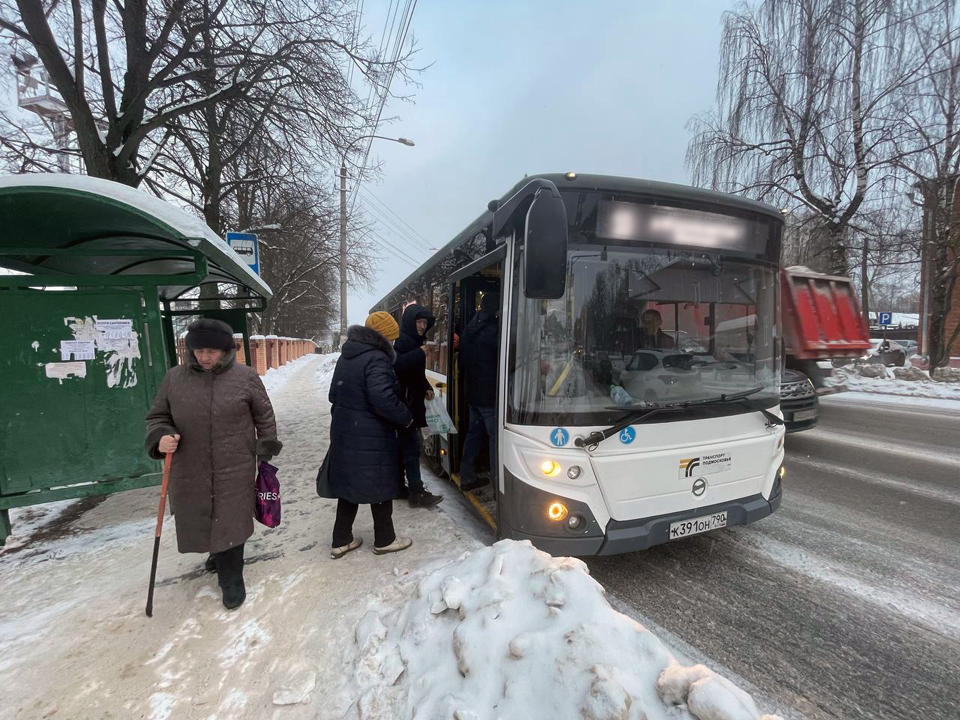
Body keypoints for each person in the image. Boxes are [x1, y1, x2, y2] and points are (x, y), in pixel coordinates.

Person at [145, 319, 281, 610]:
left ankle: (232, 578)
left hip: (235, 464)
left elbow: (264, 415)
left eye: (212, 351)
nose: (205, 357)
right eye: (199, 350)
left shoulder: (245, 377)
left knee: (231, 517)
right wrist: (160, 437)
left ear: (226, 351)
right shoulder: (174, 379)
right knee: (200, 514)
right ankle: (217, 552)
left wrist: (265, 450)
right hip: (190, 466)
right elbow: (157, 417)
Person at [319, 313, 414, 558]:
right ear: (382, 337)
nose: (393, 343)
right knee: (380, 483)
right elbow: (383, 398)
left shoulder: (348, 355)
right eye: (391, 338)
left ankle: (341, 540)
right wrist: (405, 416)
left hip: (345, 431)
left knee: (350, 485)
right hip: (371, 433)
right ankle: (385, 539)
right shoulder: (377, 359)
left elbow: (334, 394)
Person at [393, 303, 444, 508]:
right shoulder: (403, 342)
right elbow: (398, 367)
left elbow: (415, 374)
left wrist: (425, 386)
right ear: (410, 322)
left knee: (403, 449)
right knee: (412, 450)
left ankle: (398, 487)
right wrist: (420, 353)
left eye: (424, 322)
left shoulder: (414, 341)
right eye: (419, 322)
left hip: (410, 401)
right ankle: (416, 492)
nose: (422, 326)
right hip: (405, 405)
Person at [458, 293, 500, 491]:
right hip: (489, 396)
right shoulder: (494, 331)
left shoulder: (469, 328)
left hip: (473, 394)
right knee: (496, 439)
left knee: (473, 435)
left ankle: (467, 476)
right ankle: (497, 484)